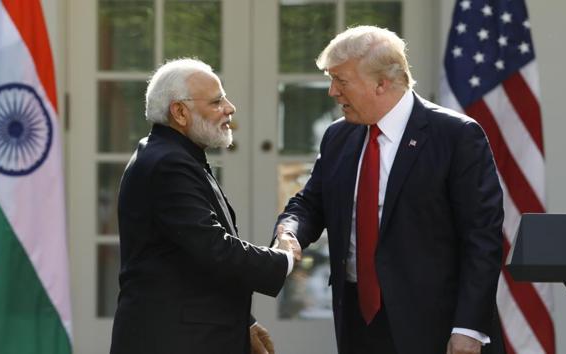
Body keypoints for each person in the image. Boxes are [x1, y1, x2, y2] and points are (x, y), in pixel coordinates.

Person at [275, 26, 505, 354]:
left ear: (382, 83)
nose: (332, 92)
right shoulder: (338, 136)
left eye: (341, 80)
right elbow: (310, 204)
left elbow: (482, 238)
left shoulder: (456, 136)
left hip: (436, 327)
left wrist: (469, 327)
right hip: (357, 321)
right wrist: (290, 232)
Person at [110, 58, 301, 354]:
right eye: (216, 101)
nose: (230, 108)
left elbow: (189, 261)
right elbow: (213, 247)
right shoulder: (168, 163)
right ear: (180, 112)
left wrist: (244, 323)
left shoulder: (175, 155)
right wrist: (284, 258)